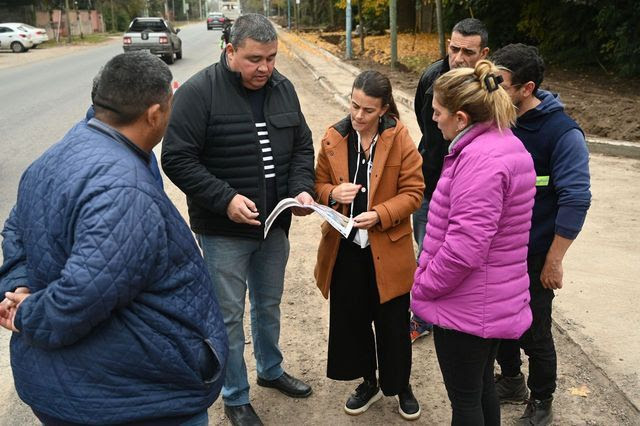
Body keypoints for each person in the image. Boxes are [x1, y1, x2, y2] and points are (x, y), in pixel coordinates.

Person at [0, 51, 228, 425]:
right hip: (128, 397)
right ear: (154, 114)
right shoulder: (124, 190)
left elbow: (15, 230)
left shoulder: (59, 154)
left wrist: (18, 286)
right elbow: (80, 296)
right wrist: (26, 313)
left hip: (76, 384)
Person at [161, 13, 315, 426]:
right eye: (253, 59)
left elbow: (302, 145)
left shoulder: (283, 88)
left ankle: (270, 370)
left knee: (268, 304)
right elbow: (176, 158)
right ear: (230, 51)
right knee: (228, 315)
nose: (264, 68)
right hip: (223, 232)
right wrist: (225, 199)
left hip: (275, 226)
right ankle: (235, 395)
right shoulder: (198, 93)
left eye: (271, 57)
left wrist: (303, 189)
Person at [411, 59, 536, 425]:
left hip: (466, 306)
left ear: (461, 118)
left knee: (465, 402)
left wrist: (425, 286)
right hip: (488, 301)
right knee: (480, 390)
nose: (433, 119)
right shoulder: (502, 144)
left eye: (437, 112)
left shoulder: (480, 161)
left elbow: (465, 248)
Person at [491, 44, 592, 426]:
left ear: (526, 87)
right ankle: (512, 381)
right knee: (500, 324)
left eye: (499, 83)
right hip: (499, 251)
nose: (490, 89)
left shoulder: (561, 134)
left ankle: (542, 398)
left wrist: (554, 259)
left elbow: (576, 199)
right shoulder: (499, 118)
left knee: (535, 331)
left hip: (534, 254)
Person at [314, 70, 424, 421]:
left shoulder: (400, 138)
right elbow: (316, 185)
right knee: (353, 320)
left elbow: (414, 193)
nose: (358, 116)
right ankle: (369, 381)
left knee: (392, 323)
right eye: (354, 105)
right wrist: (332, 193)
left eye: (368, 110)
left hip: (388, 248)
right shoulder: (334, 136)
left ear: (384, 109)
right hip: (345, 248)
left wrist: (380, 214)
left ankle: (401, 384)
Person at [410, 17, 490, 343]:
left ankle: (460, 316)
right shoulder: (431, 78)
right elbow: (424, 123)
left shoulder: (490, 87)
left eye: (468, 52)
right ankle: (422, 318)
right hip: (430, 183)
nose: (458, 58)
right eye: (454, 48)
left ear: (483, 53)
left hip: (471, 190)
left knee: (466, 257)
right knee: (426, 252)